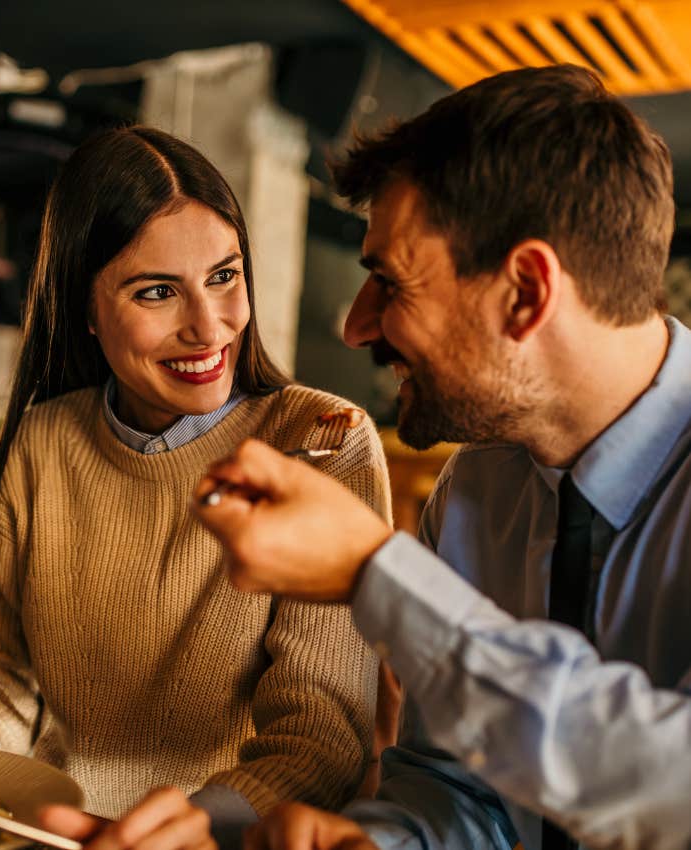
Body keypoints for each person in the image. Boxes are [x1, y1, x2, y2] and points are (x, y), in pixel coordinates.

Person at [186, 65, 691, 850]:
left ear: (525, 292)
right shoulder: (474, 488)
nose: (357, 327)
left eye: (388, 282)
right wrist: (383, 843)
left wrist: (373, 576)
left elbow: (671, 785)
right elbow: (457, 784)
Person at [0, 127, 390, 846]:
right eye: (157, 291)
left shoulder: (324, 438)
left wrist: (197, 824)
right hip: (45, 835)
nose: (208, 326)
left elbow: (322, 734)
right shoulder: (38, 443)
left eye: (224, 276)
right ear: (87, 311)